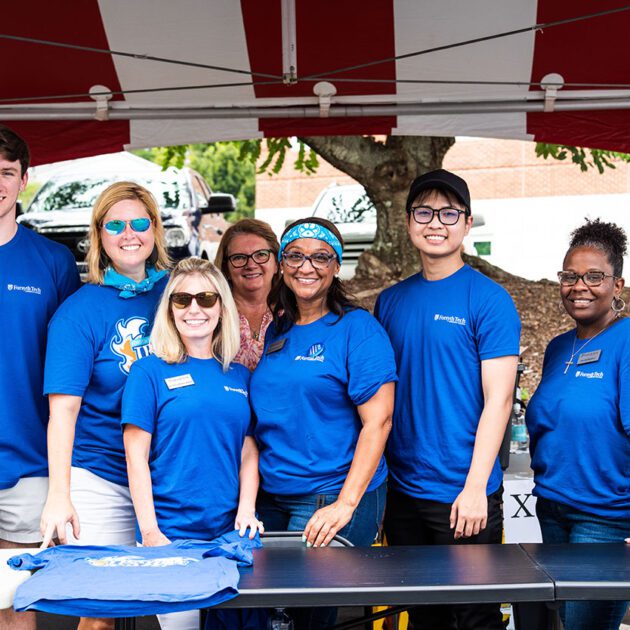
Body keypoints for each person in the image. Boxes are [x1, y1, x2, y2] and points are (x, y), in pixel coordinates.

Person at [375, 169, 521, 630]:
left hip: (463, 492)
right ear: (408, 221)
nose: (435, 222)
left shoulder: (490, 300)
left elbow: (499, 401)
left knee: (476, 617)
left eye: (448, 212)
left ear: (467, 223)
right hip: (402, 491)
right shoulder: (391, 301)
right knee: (421, 616)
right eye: (424, 212)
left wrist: (477, 487)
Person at [250, 217, 397, 629]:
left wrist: (345, 505)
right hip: (272, 494)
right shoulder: (277, 330)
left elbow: (379, 422)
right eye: (295, 256)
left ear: (336, 267)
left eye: (320, 257)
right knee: (266, 614)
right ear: (281, 264)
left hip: (330, 492)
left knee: (306, 611)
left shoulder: (357, 329)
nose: (306, 266)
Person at [40, 181, 170, 630]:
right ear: (99, 234)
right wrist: (59, 495)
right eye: (116, 224)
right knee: (99, 613)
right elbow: (63, 414)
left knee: (185, 606)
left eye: (139, 222)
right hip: (103, 478)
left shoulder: (183, 294)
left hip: (172, 477)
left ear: (155, 229)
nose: (128, 233)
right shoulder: (78, 312)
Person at [122, 257, 263, 630]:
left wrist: (246, 511)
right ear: (170, 309)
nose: (195, 309)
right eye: (182, 300)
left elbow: (248, 449)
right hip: (170, 533)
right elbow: (135, 458)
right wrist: (151, 531)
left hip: (227, 535)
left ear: (222, 307)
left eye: (206, 298)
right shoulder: (148, 372)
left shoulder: (239, 374)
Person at [526, 219, 629, 630]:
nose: (579, 286)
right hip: (551, 511)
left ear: (617, 286)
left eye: (594, 276)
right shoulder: (558, 347)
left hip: (602, 521)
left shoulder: (626, 342)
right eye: (570, 276)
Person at [0, 127, 79, 630]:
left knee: (14, 606)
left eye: (5, 173)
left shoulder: (52, 262)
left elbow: (70, 375)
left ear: (24, 180)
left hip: (27, 467)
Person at [215, 218, 280, 370]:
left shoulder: (294, 313)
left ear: (277, 264)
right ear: (226, 269)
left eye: (261, 255)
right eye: (239, 258)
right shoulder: (212, 314)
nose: (251, 265)